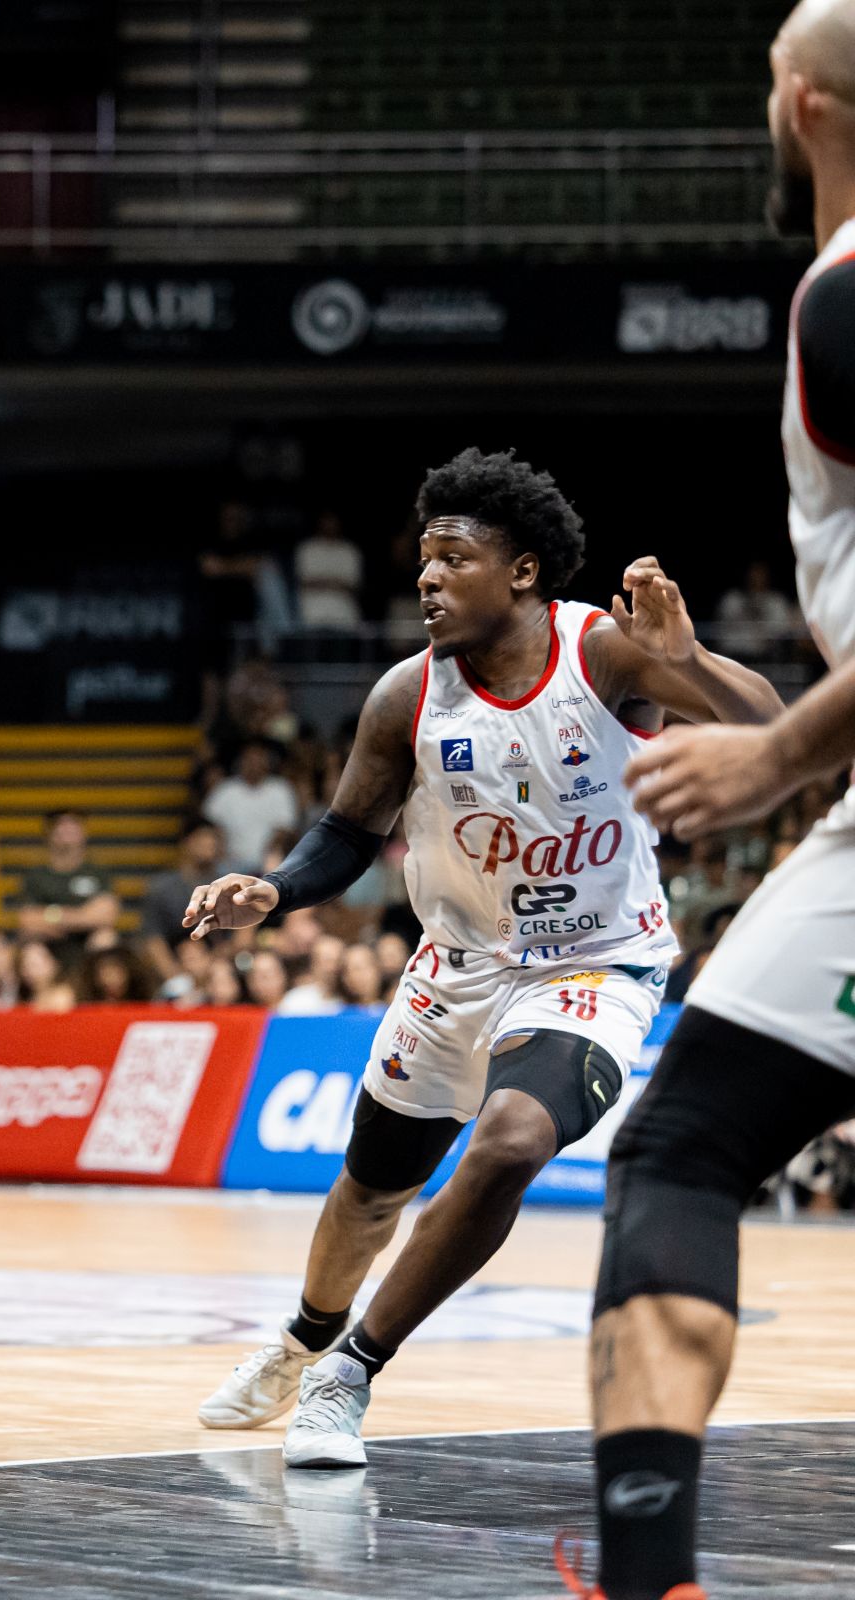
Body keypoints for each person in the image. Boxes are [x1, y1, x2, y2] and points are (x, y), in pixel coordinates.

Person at [184, 448, 780, 1473]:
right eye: (423, 560)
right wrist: (274, 889)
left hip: (596, 962)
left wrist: (690, 661)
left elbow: (776, 728)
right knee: (370, 1190)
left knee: (509, 1142)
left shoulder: (603, 653)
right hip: (458, 964)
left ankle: (349, 1371)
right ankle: (303, 1339)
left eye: (453, 559)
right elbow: (347, 833)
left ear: (523, 571)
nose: (427, 577)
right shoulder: (405, 695)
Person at [583, 14, 855, 1595]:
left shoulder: (846, 291)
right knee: (685, 1139)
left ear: (801, 102)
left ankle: (650, 1577)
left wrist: (773, 757)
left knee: (682, 1151)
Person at [15, 812, 119, 952]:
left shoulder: (98, 872)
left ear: (84, 833)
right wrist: (84, 916)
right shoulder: (35, 875)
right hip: (48, 948)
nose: (68, 830)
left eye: (73, 825)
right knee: (31, 945)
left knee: (106, 937)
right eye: (62, 826)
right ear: (49, 833)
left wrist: (51, 915)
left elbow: (106, 916)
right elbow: (27, 920)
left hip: (89, 947)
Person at [202, 743, 301, 875]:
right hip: (230, 860)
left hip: (268, 860)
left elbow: (285, 828)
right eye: (250, 760)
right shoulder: (225, 789)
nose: (254, 764)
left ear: (267, 763)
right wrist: (221, 851)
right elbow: (210, 825)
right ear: (241, 762)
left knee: (276, 867)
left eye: (259, 759)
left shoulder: (280, 788)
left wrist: (270, 852)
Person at [137, 821, 224, 967]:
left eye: (212, 841)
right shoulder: (161, 888)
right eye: (202, 840)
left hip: (218, 964)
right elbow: (153, 938)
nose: (208, 845)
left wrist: (215, 967)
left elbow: (240, 937)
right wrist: (174, 975)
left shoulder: (227, 884)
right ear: (187, 842)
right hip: (175, 961)